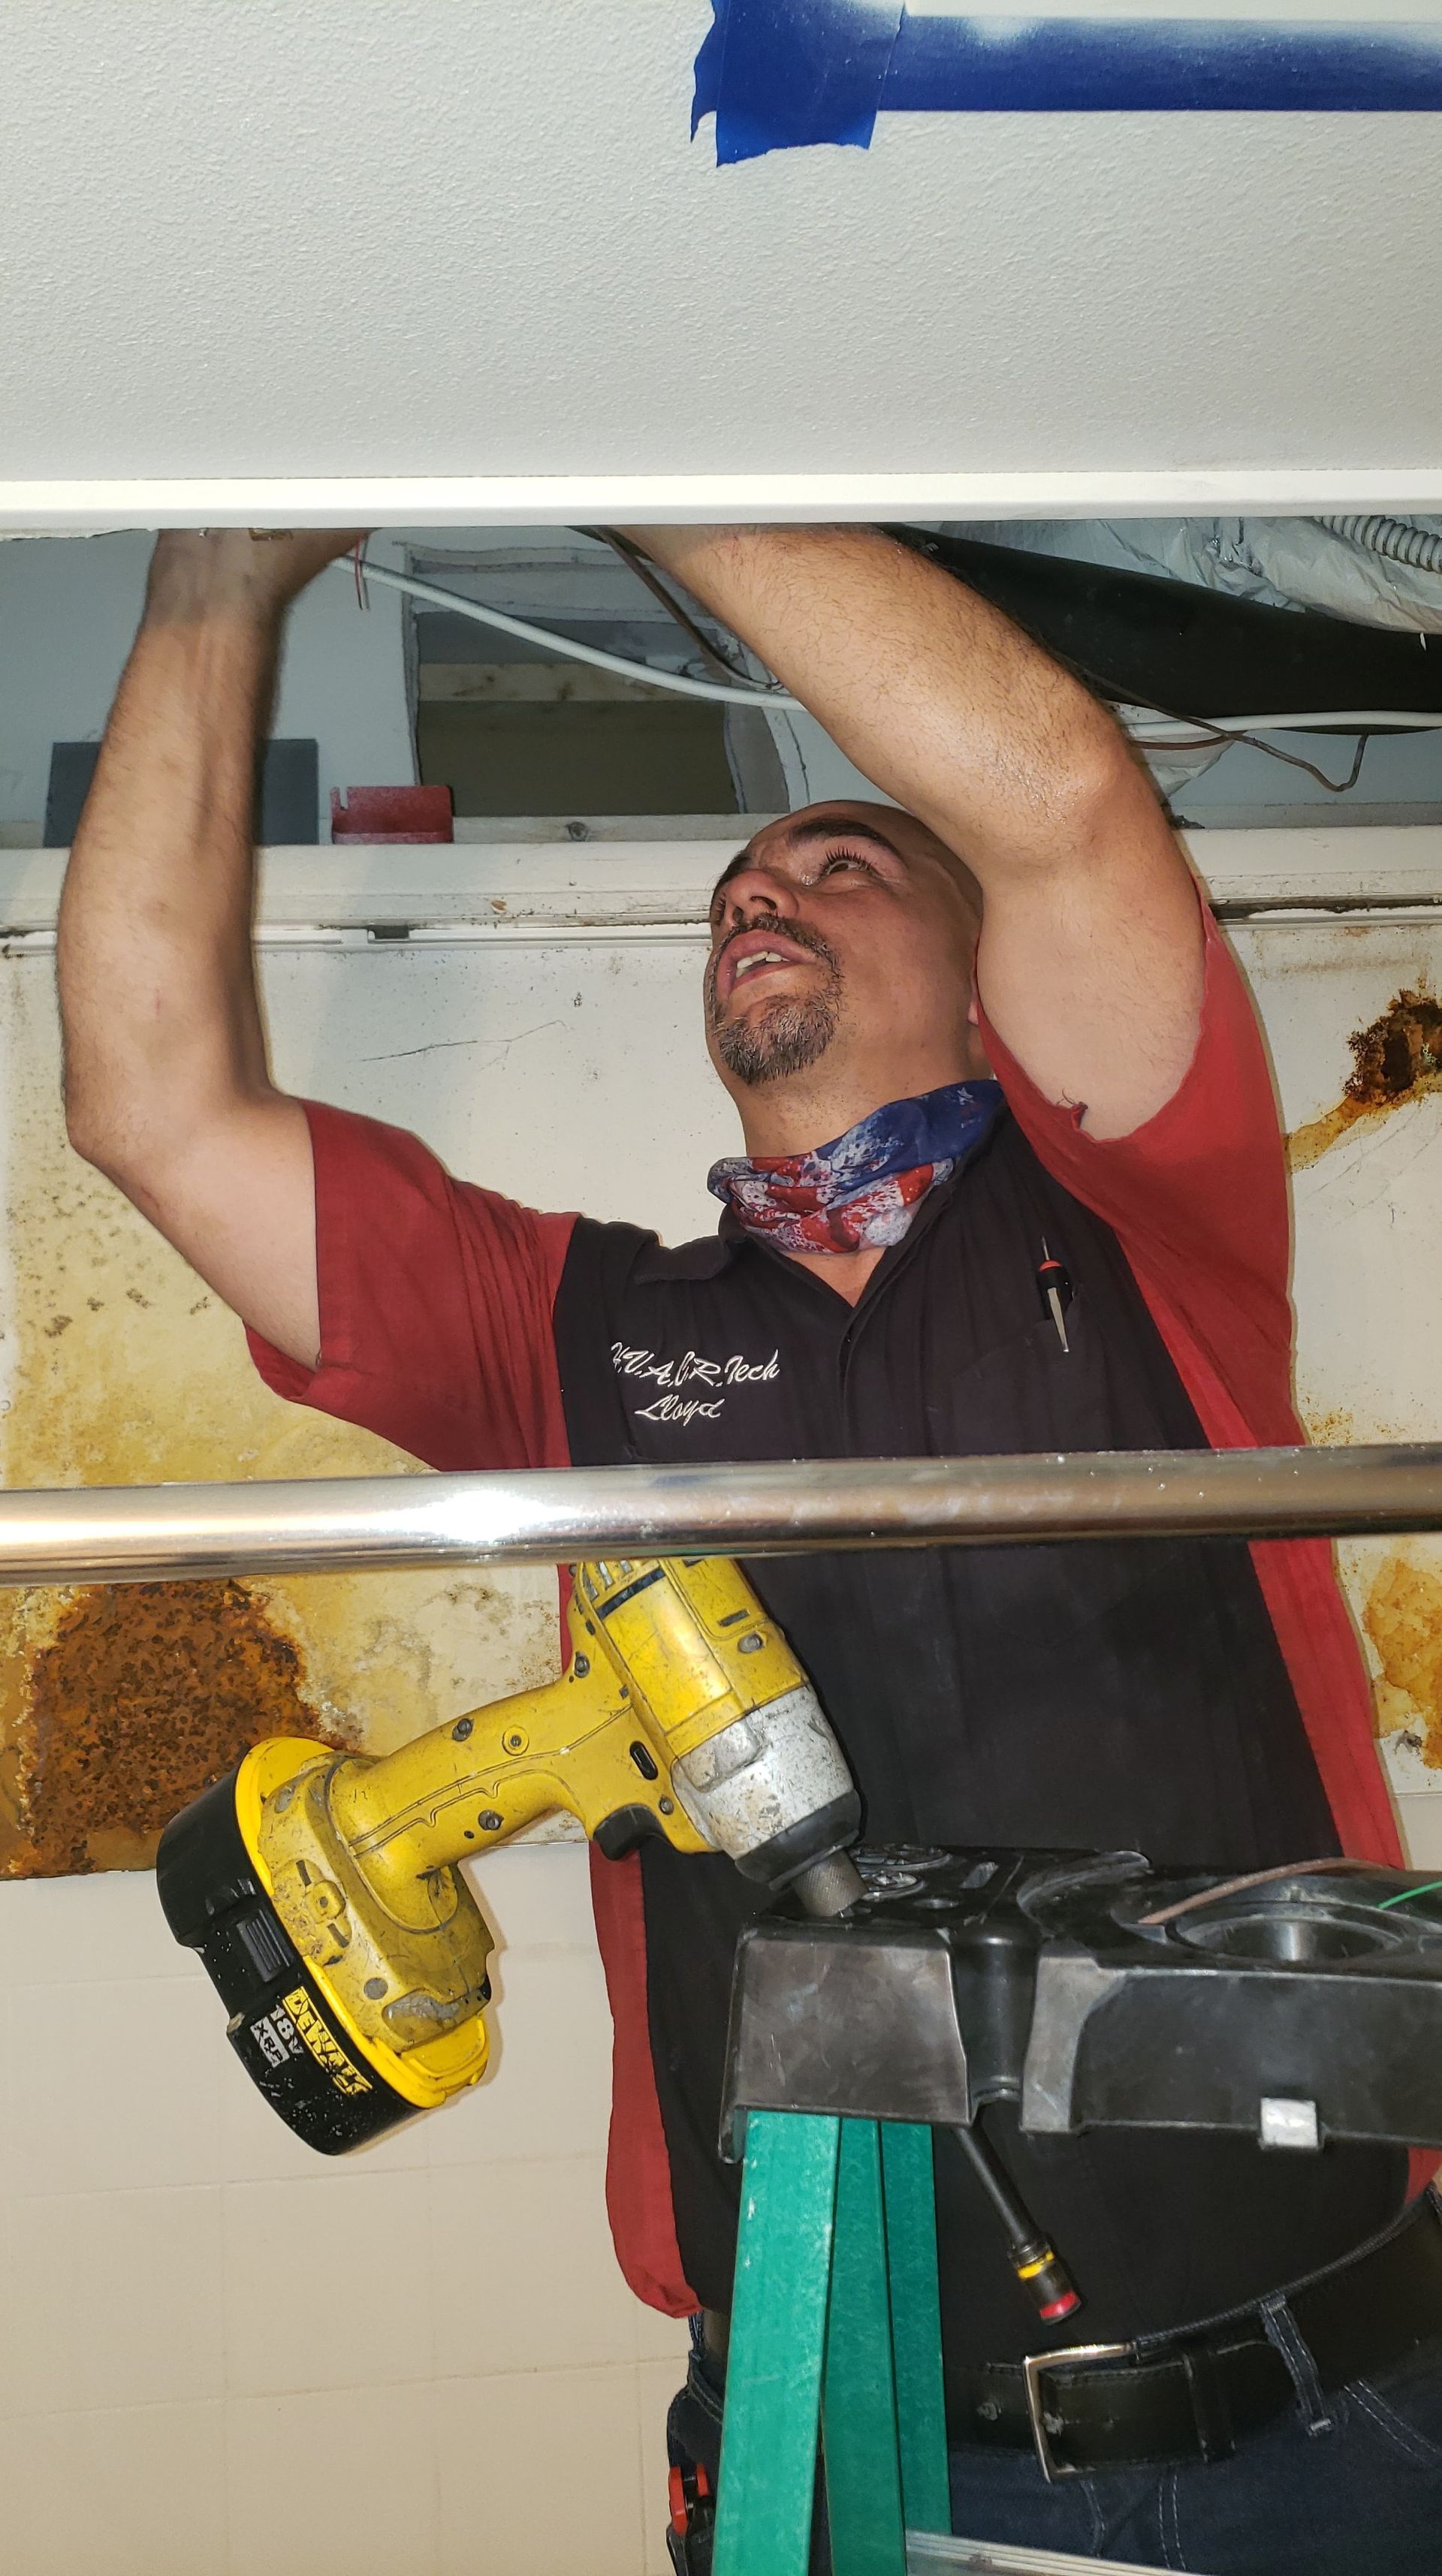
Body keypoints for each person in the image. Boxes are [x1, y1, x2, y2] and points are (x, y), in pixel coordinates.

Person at [59, 525, 1442, 2572]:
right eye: (733, 897)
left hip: (1334, 2414)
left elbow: (1064, 794)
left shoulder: (1149, 1219)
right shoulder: (574, 1331)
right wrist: (217, 580)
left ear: (983, 973)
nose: (757, 900)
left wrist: (613, 451)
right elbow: (150, 1108)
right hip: (834, 2434)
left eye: (839, 864)